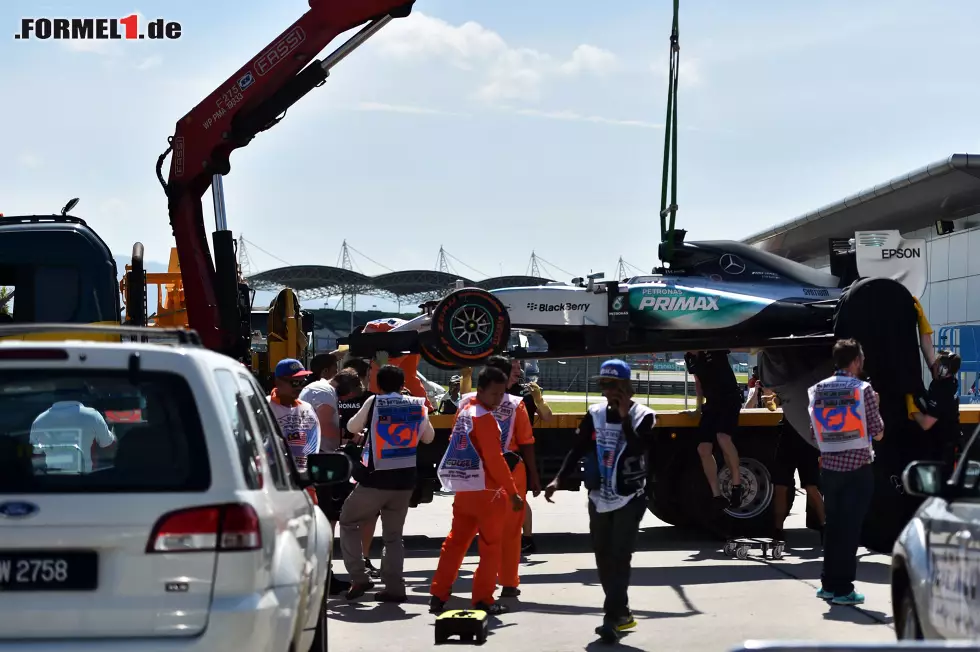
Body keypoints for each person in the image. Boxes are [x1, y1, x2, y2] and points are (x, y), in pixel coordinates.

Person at [544, 359, 656, 643]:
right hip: (599, 496)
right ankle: (622, 613)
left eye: (612, 385)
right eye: (603, 385)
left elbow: (639, 448)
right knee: (603, 557)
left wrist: (624, 416)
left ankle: (612, 617)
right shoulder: (594, 414)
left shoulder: (644, 415)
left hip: (629, 497)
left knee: (620, 556)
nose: (606, 391)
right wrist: (559, 478)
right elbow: (578, 448)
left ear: (625, 386)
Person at [429, 366, 524, 616]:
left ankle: (438, 594)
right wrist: (513, 492)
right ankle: (483, 599)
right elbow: (495, 460)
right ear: (481, 390)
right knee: (491, 546)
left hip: (465, 488)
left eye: (502, 394)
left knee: (455, 543)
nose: (499, 400)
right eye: (494, 394)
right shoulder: (484, 418)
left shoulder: (465, 409)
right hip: (488, 492)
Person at [339, 364, 436, 601]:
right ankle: (394, 587)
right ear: (403, 385)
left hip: (376, 479)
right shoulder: (417, 404)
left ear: (378, 385)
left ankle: (359, 577)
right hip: (404, 481)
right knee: (393, 536)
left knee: (348, 521)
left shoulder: (374, 402)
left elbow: (352, 427)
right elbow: (428, 437)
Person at [808, 338, 883, 606]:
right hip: (857, 469)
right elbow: (878, 431)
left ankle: (828, 584)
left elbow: (814, 433)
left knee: (834, 528)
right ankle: (843, 589)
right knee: (850, 531)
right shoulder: (863, 390)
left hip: (829, 470)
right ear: (856, 361)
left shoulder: (818, 390)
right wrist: (875, 404)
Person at [462, 355, 541, 599]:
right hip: (510, 469)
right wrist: (534, 475)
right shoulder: (517, 404)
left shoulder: (467, 401)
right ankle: (508, 582)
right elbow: (526, 441)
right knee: (510, 531)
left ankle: (444, 589)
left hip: (475, 470)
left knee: (468, 531)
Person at [337, 356, 383, 579]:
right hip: (363, 459)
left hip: (334, 458)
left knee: (336, 513)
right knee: (369, 513)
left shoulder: (332, 395)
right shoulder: (371, 399)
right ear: (365, 376)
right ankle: (363, 557)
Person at [684, 350, 744, 509]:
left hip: (729, 399)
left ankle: (737, 485)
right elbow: (698, 383)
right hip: (711, 403)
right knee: (703, 448)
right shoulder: (689, 358)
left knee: (723, 437)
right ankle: (716, 495)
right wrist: (698, 408)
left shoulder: (713, 348)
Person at [505, 358, 553, 554]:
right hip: (498, 450)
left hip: (518, 452)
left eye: (519, 367)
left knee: (519, 498)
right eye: (514, 367)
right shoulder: (492, 391)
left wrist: (539, 399)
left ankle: (527, 538)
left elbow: (548, 417)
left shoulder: (525, 393)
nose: (518, 371)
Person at [771, 418, 824, 543]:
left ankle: (825, 527)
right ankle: (777, 530)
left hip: (807, 440)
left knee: (811, 487)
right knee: (780, 487)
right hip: (788, 438)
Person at [30, 398, 116, 473]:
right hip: (86, 483)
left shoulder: (39, 420)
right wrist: (113, 431)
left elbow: (35, 454)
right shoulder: (93, 416)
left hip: (52, 483)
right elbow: (108, 446)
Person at [911, 350, 962, 472]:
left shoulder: (943, 390)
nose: (934, 365)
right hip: (945, 441)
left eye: (937, 364)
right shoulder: (948, 382)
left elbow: (926, 424)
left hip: (945, 446)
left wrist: (912, 410)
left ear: (944, 370)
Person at [299, 352, 343, 452]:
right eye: (335, 371)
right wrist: (343, 436)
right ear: (325, 371)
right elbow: (323, 426)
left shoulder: (308, 388)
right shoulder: (322, 391)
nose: (336, 376)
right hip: (318, 450)